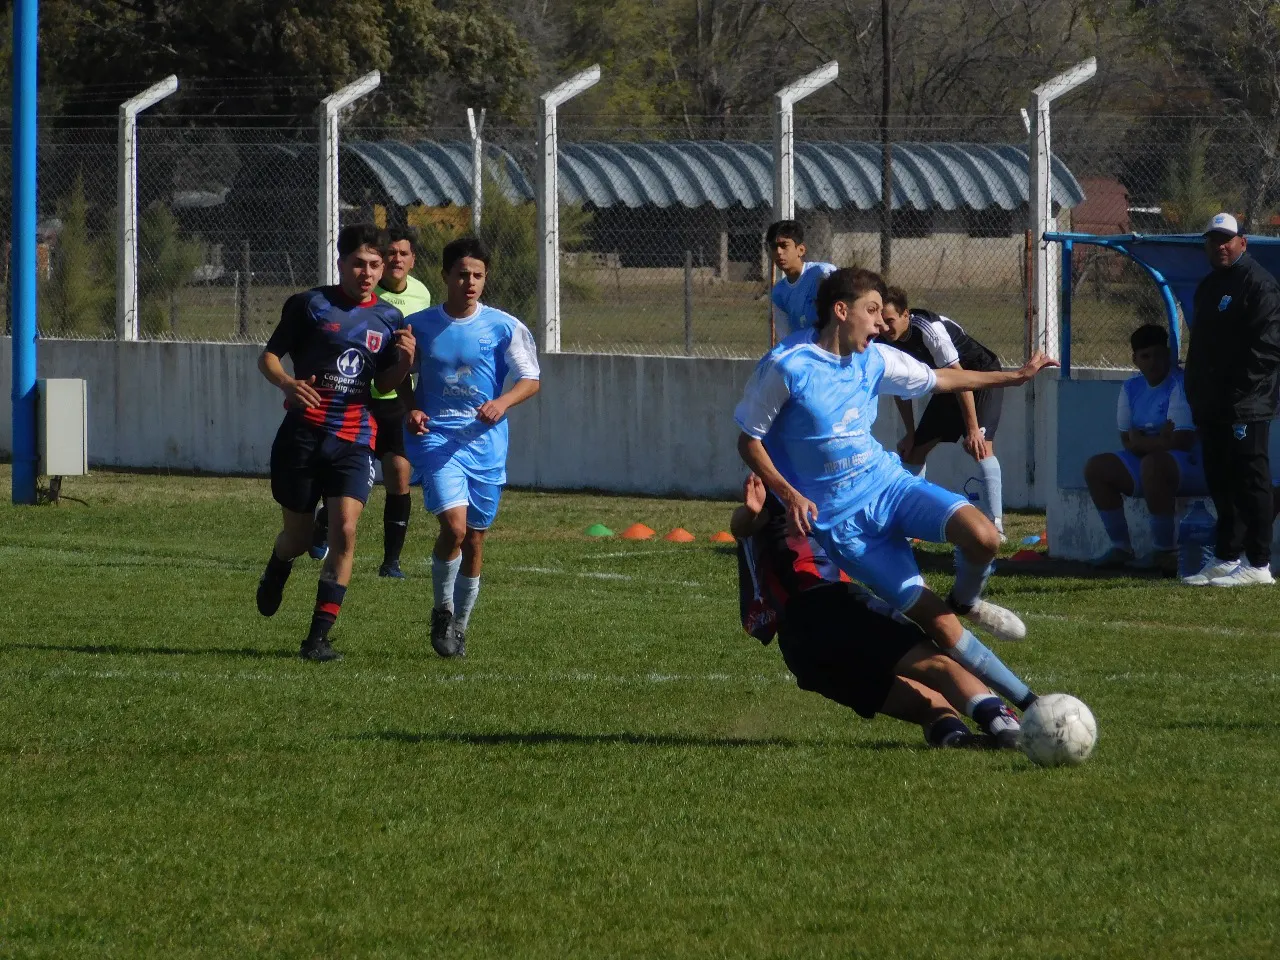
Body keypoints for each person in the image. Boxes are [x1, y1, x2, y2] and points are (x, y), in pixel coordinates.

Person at [734, 267, 1056, 711]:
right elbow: (749, 441)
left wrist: (1014, 377)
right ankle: (1032, 704)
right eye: (872, 311)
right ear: (841, 311)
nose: (881, 324)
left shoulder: (875, 359)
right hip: (845, 527)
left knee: (983, 537)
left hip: (889, 486)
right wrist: (790, 494)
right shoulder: (787, 366)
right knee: (939, 626)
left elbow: (943, 378)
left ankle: (965, 599)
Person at [733, 473, 1023, 749]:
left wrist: (750, 513)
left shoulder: (797, 489)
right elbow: (744, 522)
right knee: (941, 665)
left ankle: (955, 741)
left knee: (934, 706)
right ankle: (1010, 729)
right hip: (830, 605)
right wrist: (751, 512)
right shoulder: (793, 488)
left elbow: (743, 525)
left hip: (800, 650)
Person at [255, 224, 415, 661]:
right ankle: (279, 563)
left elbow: (383, 384)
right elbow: (268, 357)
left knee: (345, 530)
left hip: (355, 437)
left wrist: (404, 364)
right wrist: (287, 383)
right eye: (359, 264)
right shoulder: (310, 305)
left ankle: (317, 639)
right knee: (299, 538)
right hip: (303, 435)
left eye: (375, 265)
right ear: (341, 262)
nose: (368, 273)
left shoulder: (389, 318)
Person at [404, 238, 541, 657]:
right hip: (437, 439)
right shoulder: (419, 325)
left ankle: (460, 626)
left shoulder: (504, 326)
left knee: (475, 540)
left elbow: (530, 379)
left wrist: (503, 402)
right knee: (454, 528)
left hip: (485, 444)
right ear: (445, 275)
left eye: (478, 275)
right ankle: (442, 611)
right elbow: (398, 377)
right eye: (462, 274)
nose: (470, 282)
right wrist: (411, 408)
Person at [310, 227, 433, 578]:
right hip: (358, 397)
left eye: (403, 254)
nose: (396, 260)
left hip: (395, 396)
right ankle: (324, 522)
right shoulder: (365, 290)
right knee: (348, 479)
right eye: (390, 253)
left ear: (412, 260)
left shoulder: (422, 294)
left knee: (399, 472)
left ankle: (391, 561)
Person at [1183, 212, 1280, 586]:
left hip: (1246, 405)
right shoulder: (1209, 286)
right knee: (1221, 481)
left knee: (1251, 480)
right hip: (1212, 405)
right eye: (1213, 240)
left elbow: (1268, 348)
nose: (1220, 246)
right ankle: (1227, 556)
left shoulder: (1259, 285)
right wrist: (1197, 390)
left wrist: (1237, 389)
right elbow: (1201, 346)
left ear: (1243, 242)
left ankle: (1258, 563)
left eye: (1226, 239)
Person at [881, 287, 1007, 539]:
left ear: (905, 315)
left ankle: (995, 525)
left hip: (979, 375)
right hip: (950, 385)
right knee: (913, 451)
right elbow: (899, 387)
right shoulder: (884, 341)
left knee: (980, 446)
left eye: (890, 320)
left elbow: (962, 378)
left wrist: (972, 429)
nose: (884, 327)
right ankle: (908, 525)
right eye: (881, 321)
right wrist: (910, 433)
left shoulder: (928, 329)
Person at [1083, 324, 1204, 574]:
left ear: (1168, 355)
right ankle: (1120, 547)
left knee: (1154, 464)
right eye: (1145, 356)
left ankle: (1164, 551)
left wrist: (1142, 442)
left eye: (1158, 355)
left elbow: (1181, 441)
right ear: (1135, 359)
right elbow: (1126, 441)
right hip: (1151, 461)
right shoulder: (1131, 387)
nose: (1152, 362)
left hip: (1192, 463)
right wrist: (1158, 440)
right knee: (1097, 467)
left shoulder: (1180, 383)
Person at [767, 220, 838, 336]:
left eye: (784, 246)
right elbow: (785, 336)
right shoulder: (779, 292)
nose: (779, 252)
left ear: (801, 250)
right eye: (774, 247)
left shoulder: (822, 273)